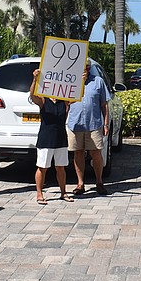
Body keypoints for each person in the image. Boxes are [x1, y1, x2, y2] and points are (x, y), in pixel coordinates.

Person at [66, 59, 111, 196]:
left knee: (96, 153)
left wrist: (106, 124)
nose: (83, 69)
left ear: (89, 69)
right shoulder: (71, 82)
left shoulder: (98, 82)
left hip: (94, 124)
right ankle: (80, 183)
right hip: (75, 123)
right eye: (81, 67)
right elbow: (66, 104)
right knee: (78, 153)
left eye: (86, 67)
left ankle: (99, 182)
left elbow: (104, 105)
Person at [29, 69, 73, 204]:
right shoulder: (43, 100)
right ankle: (39, 193)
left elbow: (77, 95)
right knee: (42, 167)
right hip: (46, 138)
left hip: (60, 137)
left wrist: (81, 81)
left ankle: (63, 192)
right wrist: (35, 79)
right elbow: (32, 95)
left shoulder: (64, 101)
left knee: (61, 167)